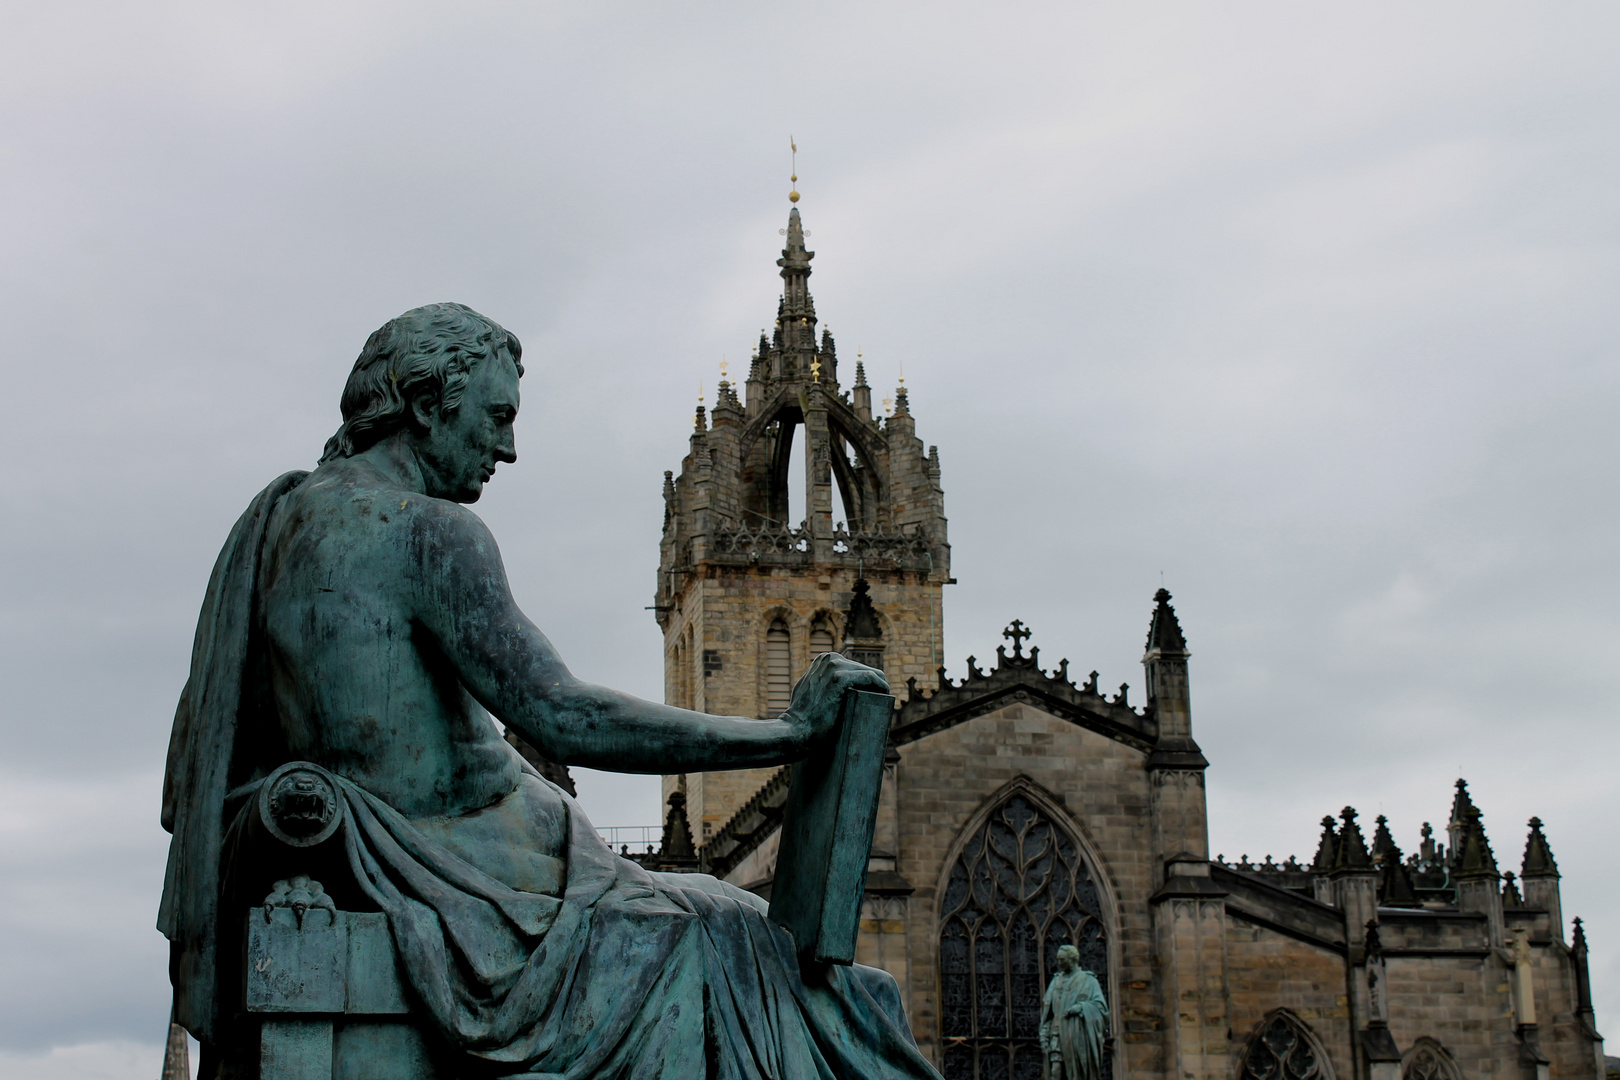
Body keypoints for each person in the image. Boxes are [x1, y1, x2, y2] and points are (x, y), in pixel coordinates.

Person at [159, 302, 940, 1080]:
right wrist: (792, 734)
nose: (508, 447)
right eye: (496, 417)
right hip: (476, 874)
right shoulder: (428, 532)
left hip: (442, 855)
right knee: (791, 969)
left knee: (758, 934)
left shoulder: (283, 521)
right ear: (428, 406)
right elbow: (566, 717)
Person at [1037, 945, 1108, 1080]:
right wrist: (1044, 1033)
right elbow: (1049, 1013)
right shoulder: (1056, 981)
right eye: (1058, 960)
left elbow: (1101, 1008)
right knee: (1055, 1071)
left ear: (1073, 959)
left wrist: (1082, 1007)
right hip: (1056, 1032)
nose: (1059, 963)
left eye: (1062, 960)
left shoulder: (1089, 981)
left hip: (1076, 1034)